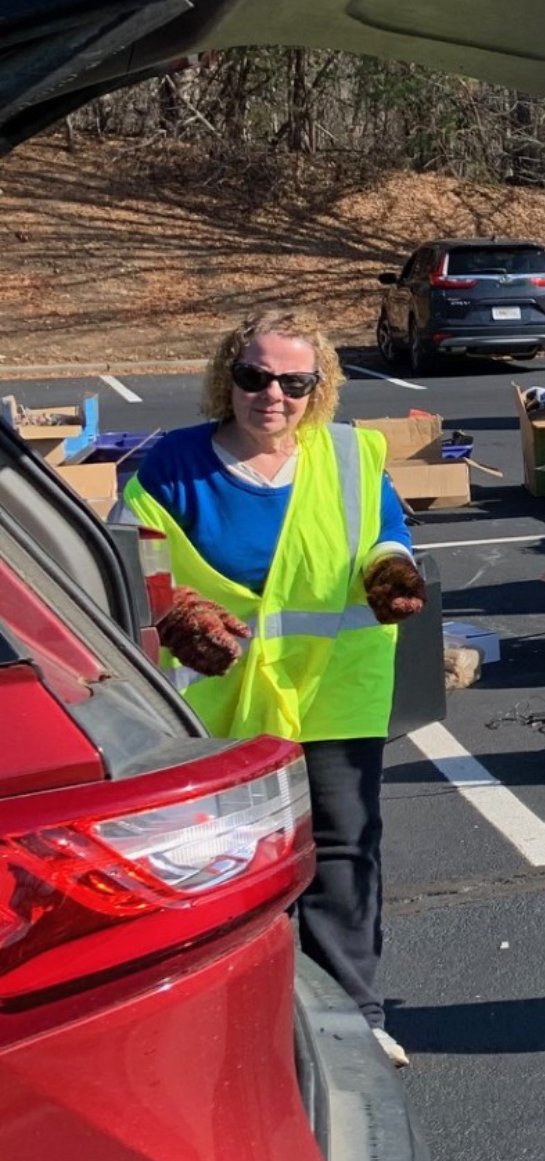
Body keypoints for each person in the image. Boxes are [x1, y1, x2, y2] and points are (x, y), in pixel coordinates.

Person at [118, 309, 427, 1068]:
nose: (273, 395)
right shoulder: (169, 465)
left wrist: (391, 572)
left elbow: (387, 531)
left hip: (331, 692)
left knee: (343, 852)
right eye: (255, 377)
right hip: (219, 701)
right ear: (230, 376)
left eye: (294, 382)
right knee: (218, 865)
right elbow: (129, 563)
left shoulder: (350, 456)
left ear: (317, 387)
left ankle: (353, 1021)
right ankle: (230, 1022)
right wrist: (179, 609)